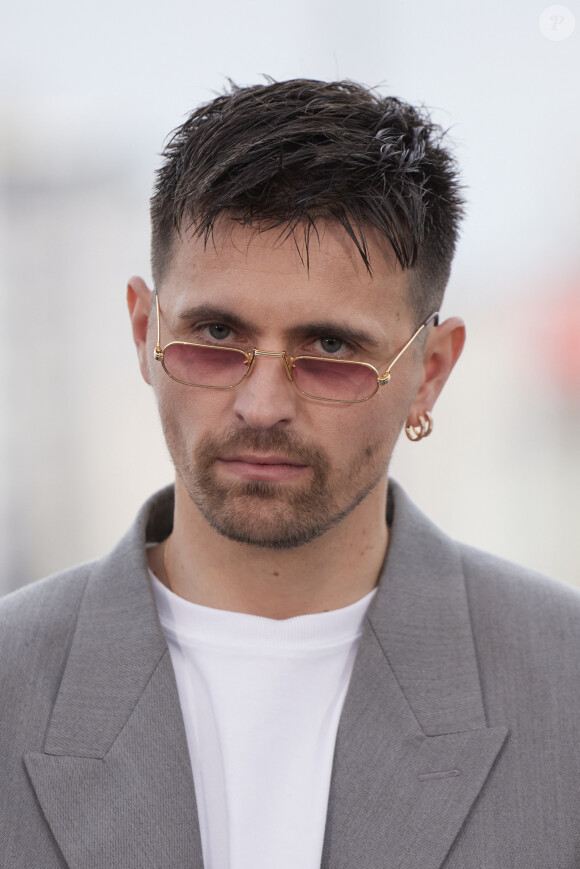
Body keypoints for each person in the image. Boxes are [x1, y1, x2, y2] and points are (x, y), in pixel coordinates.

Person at [1, 78, 579, 869]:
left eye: (332, 348)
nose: (261, 402)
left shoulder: (565, 686)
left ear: (432, 371)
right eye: (214, 332)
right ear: (144, 331)